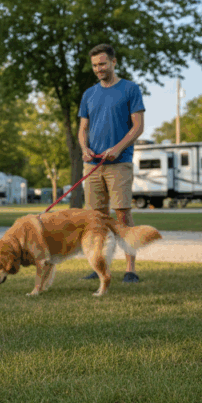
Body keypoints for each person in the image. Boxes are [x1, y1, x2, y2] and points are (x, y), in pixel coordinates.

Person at [78, 43, 145, 283]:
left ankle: (130, 269)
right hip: (93, 165)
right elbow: (82, 129)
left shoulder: (130, 89)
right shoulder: (89, 94)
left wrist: (117, 149)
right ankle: (99, 266)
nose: (99, 69)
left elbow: (138, 126)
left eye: (103, 64)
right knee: (95, 218)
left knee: (122, 215)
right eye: (95, 65)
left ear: (114, 62)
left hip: (120, 163)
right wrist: (84, 149)